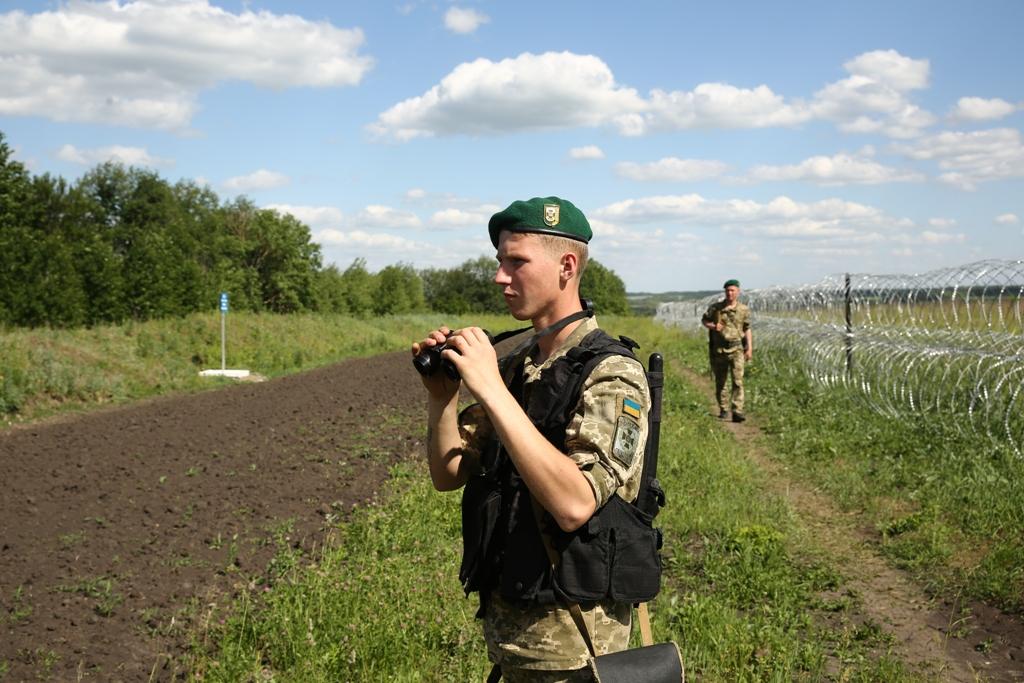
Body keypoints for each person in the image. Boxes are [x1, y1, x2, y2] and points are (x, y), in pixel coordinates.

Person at [412, 196, 655, 681]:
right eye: (500, 261)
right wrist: (442, 399)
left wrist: (490, 390)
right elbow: (449, 473)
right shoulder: (519, 367)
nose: (500, 276)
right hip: (512, 644)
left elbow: (574, 503)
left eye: (516, 261)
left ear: (567, 266)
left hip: (575, 653)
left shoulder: (611, 374)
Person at [701, 279, 753, 422]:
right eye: (728, 290)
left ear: (738, 292)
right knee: (721, 381)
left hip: (737, 348)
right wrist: (712, 326)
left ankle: (737, 410)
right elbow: (704, 320)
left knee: (738, 381)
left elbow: (747, 329)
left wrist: (749, 348)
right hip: (719, 349)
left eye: (733, 290)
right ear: (725, 292)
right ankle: (724, 408)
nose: (730, 293)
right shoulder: (716, 308)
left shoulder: (743, 310)